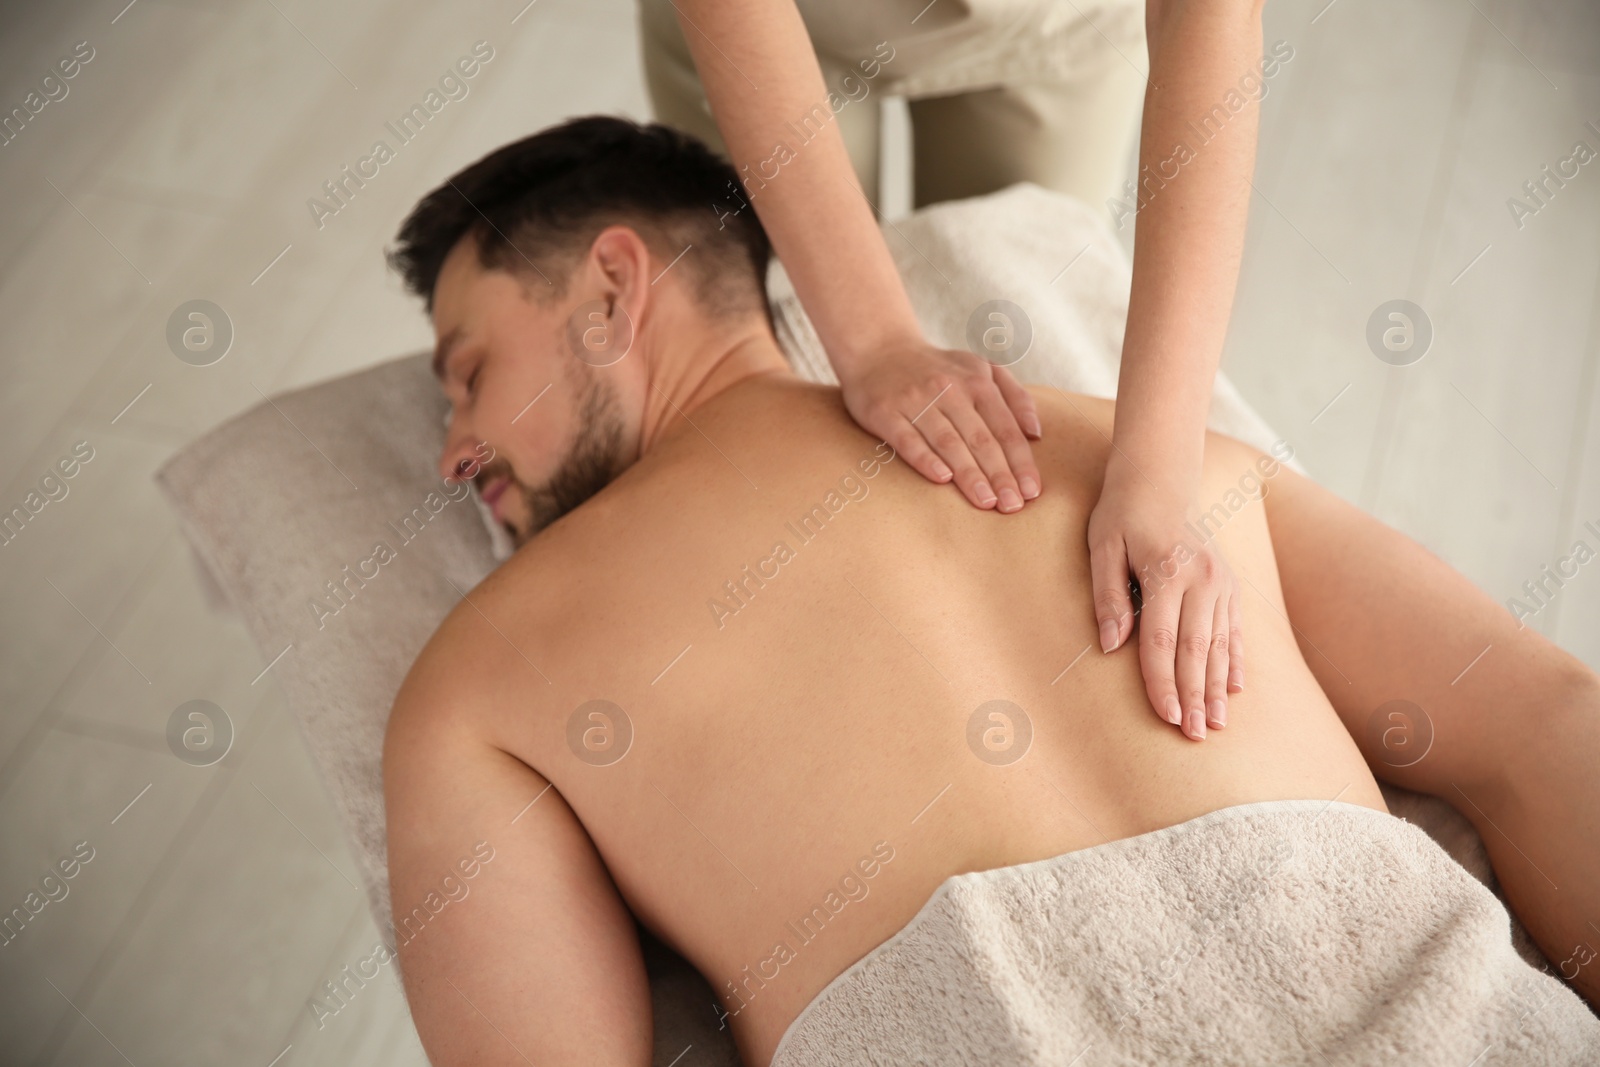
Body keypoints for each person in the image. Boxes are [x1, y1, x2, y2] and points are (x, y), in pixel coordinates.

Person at [381, 118, 1600, 1065]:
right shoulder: (1160, 463)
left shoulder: (478, 682)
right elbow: (1543, 724)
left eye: (468, 371)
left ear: (611, 288)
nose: (453, 450)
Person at [639, 0, 1271, 742]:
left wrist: (1159, 472)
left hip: (1044, 32)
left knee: (1025, 270)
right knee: (781, 329)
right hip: (779, 26)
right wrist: (873, 341)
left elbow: (1213, 13)